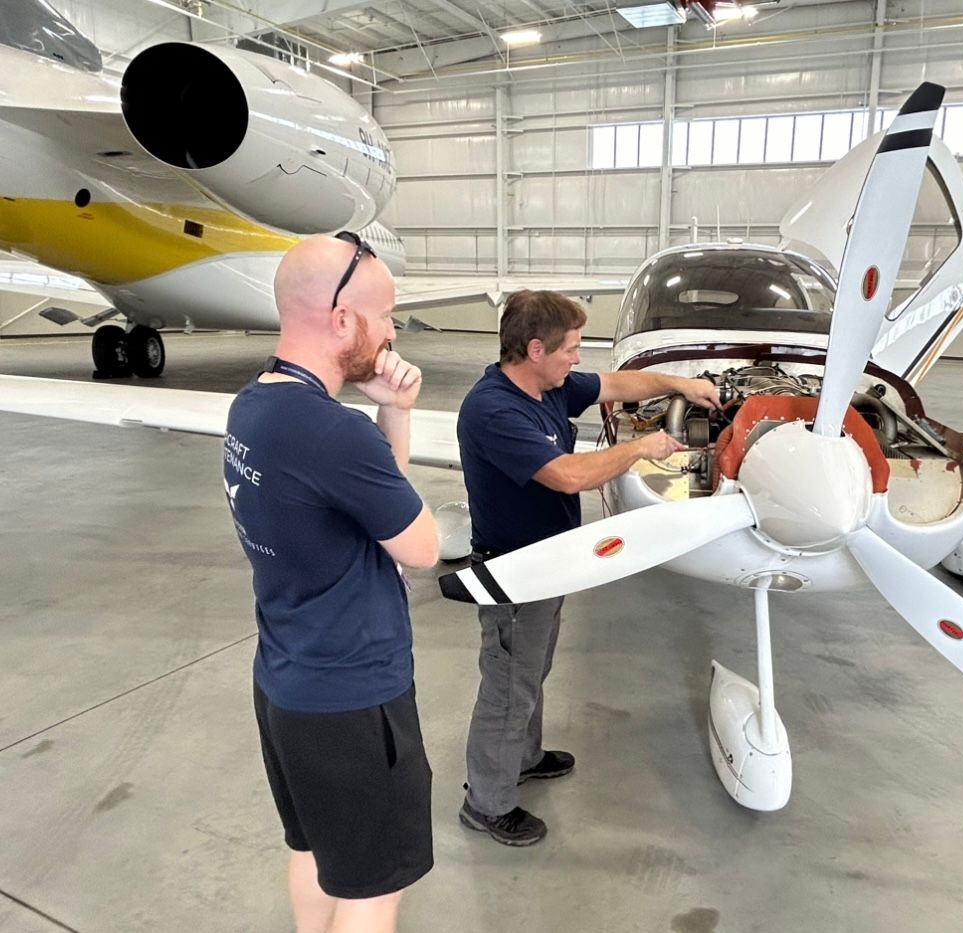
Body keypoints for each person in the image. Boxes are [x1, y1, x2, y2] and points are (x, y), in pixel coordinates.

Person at [223, 232, 440, 933]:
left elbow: (373, 506)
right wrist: (386, 420)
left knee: (315, 848)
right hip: (353, 700)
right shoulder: (331, 434)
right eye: (388, 317)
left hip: (285, 686)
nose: (394, 332)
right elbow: (420, 546)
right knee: (374, 888)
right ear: (344, 321)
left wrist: (393, 410)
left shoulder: (254, 406)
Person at [455, 289, 721, 846]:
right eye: (570, 349)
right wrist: (640, 447)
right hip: (515, 571)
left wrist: (680, 384)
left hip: (551, 564)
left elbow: (620, 384)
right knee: (508, 686)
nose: (578, 359)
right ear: (534, 349)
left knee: (530, 672)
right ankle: (488, 802)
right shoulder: (494, 409)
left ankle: (523, 759)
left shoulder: (550, 385)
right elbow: (568, 476)